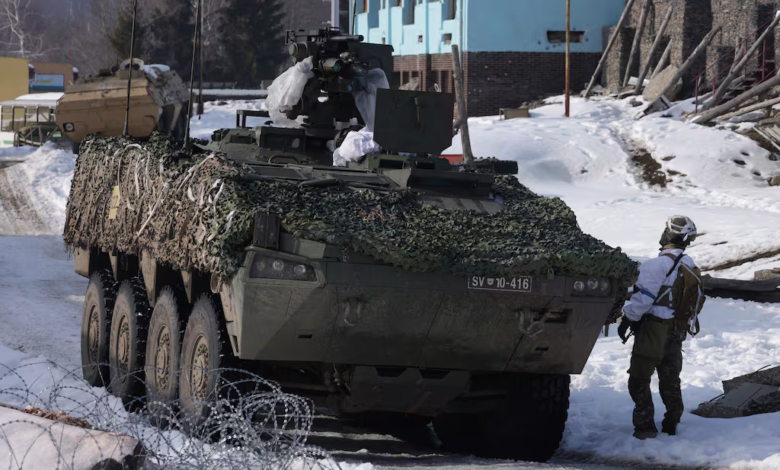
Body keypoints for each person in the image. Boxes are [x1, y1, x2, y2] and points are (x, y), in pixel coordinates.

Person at [618, 215, 704, 440]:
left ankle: (645, 427)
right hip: (676, 330)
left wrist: (627, 319)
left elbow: (643, 300)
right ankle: (672, 423)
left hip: (653, 330)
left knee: (638, 379)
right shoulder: (690, 265)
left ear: (667, 235)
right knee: (670, 378)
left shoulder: (655, 265)